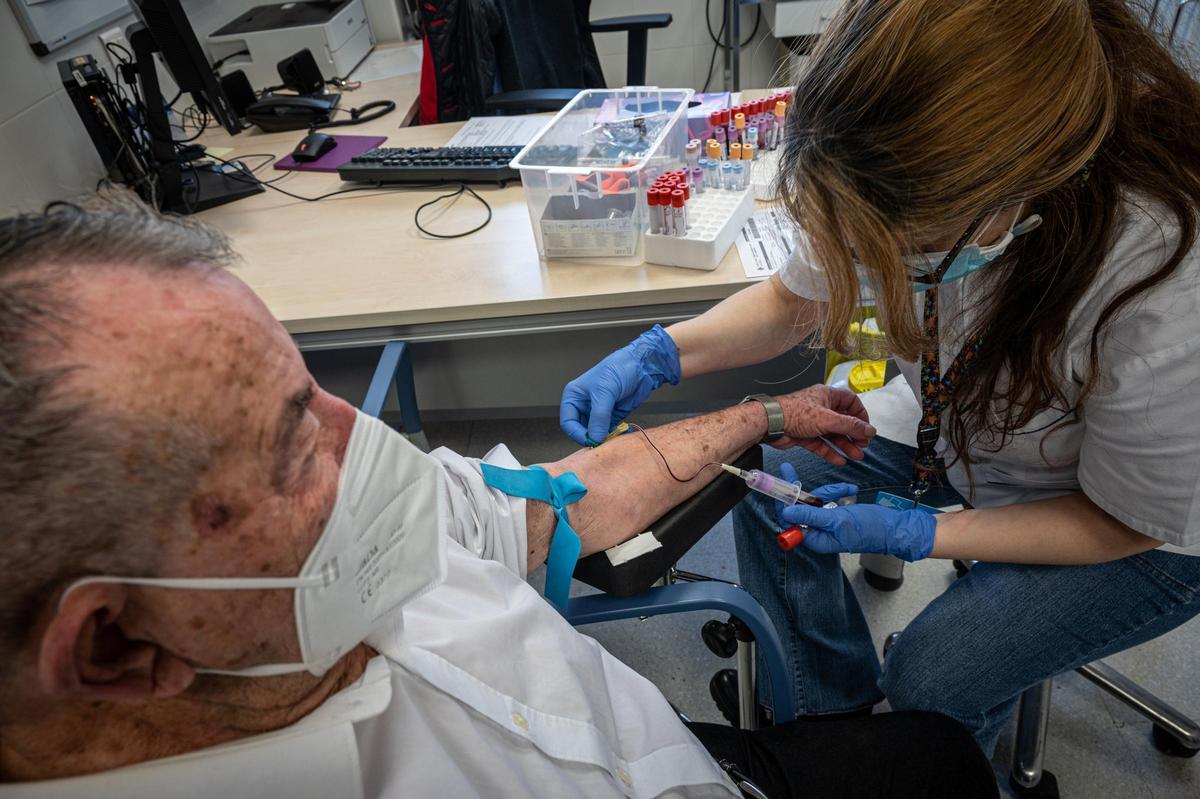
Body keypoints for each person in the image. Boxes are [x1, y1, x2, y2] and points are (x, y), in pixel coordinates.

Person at [0, 194, 998, 798]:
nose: (365, 440)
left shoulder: (310, 568)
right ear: (112, 648)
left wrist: (764, 419)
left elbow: (551, 499)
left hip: (682, 759)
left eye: (314, 393)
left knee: (938, 757)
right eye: (289, 447)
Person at [560, 0, 1200, 757]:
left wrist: (924, 533)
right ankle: (839, 722)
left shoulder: (1164, 269)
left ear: (1013, 189)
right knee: (771, 476)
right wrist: (659, 351)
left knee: (934, 675)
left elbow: (1126, 519)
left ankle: (922, 751)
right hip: (976, 427)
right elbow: (792, 300)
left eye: (912, 247)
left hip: (1136, 527)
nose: (881, 267)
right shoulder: (881, 149)